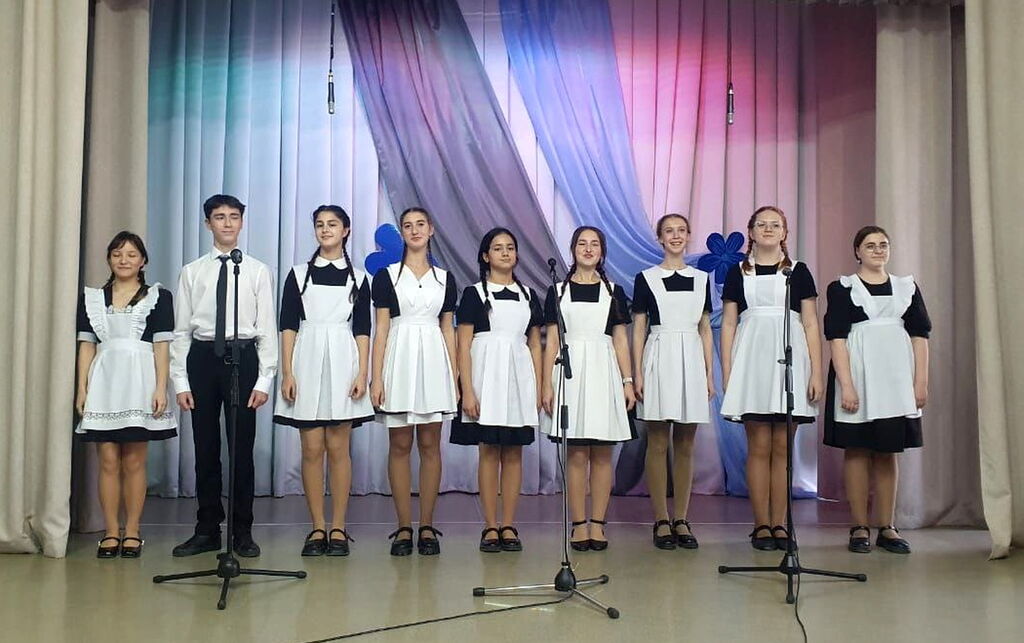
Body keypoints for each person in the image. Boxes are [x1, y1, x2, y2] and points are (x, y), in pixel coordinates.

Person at [170, 194, 278, 558]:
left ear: (242, 223)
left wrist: (263, 379)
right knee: (205, 448)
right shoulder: (192, 271)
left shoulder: (257, 271)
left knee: (241, 450)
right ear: (208, 224)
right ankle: (207, 529)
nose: (227, 223)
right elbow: (181, 331)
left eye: (234, 216)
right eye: (219, 217)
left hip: (241, 358)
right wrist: (181, 381)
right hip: (203, 358)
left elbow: (266, 329)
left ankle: (242, 531)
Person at [720, 206, 823, 551]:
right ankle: (761, 524)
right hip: (752, 363)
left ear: (785, 232)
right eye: (761, 224)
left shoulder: (799, 272)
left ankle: (780, 524)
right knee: (759, 446)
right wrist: (728, 372)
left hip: (789, 363)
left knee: (783, 448)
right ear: (750, 232)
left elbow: (811, 323)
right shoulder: (738, 273)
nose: (768, 229)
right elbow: (729, 324)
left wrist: (816, 371)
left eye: (775, 224)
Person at [823, 226, 931, 554]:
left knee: (888, 451)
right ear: (857, 251)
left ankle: (887, 526)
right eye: (870, 245)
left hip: (895, 380)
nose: (878, 250)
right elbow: (837, 338)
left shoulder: (907, 287)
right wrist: (847, 385)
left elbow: (920, 336)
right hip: (858, 376)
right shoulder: (842, 288)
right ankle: (859, 526)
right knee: (857, 450)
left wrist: (920, 382)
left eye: (883, 244)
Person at [273, 205, 372, 557]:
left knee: (339, 448)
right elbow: (287, 324)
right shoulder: (298, 274)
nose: (325, 229)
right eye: (320, 224)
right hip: (307, 359)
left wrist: (362, 372)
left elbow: (363, 328)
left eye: (333, 224)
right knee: (312, 448)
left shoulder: (360, 278)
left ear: (346, 230)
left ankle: (339, 527)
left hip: (344, 359)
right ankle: (317, 527)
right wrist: (288, 371)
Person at [75, 231, 177, 558]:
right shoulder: (92, 298)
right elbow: (87, 345)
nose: (124, 260)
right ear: (109, 259)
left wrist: (160, 387)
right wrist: (82, 388)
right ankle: (110, 531)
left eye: (132, 254)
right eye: (118, 254)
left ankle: (132, 530)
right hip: (104, 382)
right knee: (107, 459)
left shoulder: (159, 297)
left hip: (140, 381)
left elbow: (162, 346)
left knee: (134, 460)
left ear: (143, 261)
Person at [541, 226, 635, 552]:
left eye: (595, 244)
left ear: (602, 251)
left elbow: (620, 339)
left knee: (602, 453)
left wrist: (627, 381)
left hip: (603, 370)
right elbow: (552, 340)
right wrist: (546, 383)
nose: (588, 248)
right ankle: (579, 524)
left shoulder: (614, 292)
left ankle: (598, 523)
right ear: (573, 249)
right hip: (570, 372)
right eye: (582, 243)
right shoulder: (557, 291)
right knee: (577, 452)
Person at [370, 207, 458, 556]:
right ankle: (404, 526)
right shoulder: (386, 276)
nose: (415, 230)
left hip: (435, 361)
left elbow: (448, 330)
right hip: (399, 358)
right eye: (408, 226)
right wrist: (376, 377)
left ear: (431, 229)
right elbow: (381, 330)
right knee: (400, 445)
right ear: (402, 233)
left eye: (421, 224)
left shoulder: (446, 279)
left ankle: (428, 526)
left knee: (431, 445)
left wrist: (455, 376)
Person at [450, 227, 544, 553]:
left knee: (514, 452)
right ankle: (490, 525)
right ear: (485, 256)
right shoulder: (473, 293)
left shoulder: (529, 295)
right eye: (498, 248)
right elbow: (463, 345)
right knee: (489, 451)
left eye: (510, 247)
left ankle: (509, 524)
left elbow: (535, 344)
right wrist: (467, 389)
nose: (505, 252)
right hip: (485, 378)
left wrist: (539, 387)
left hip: (518, 379)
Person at [631, 214, 713, 550]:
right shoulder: (646, 278)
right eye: (669, 231)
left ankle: (681, 517)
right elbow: (639, 328)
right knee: (657, 440)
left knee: (686, 443)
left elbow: (705, 328)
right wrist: (638, 372)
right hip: (659, 354)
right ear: (660, 238)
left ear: (689, 235)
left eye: (681, 230)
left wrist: (708, 374)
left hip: (690, 357)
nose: (675, 236)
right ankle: (661, 518)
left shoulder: (702, 279)